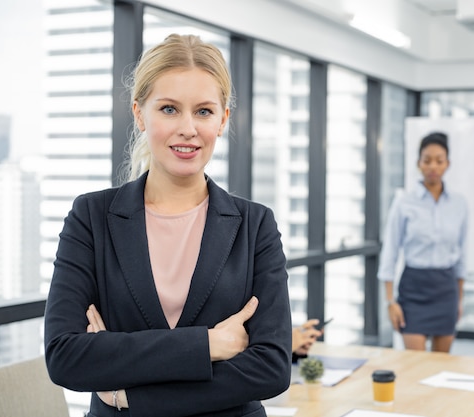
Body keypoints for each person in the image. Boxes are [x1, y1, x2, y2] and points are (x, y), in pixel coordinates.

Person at [44, 34, 292, 417]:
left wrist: (130, 391)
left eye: (204, 111)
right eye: (170, 109)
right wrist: (207, 345)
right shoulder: (91, 217)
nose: (188, 128)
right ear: (140, 113)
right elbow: (65, 356)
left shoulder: (255, 225)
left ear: (224, 119)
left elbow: (272, 368)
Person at [377, 131, 468, 353]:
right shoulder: (404, 203)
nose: (433, 167)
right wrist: (391, 302)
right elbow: (390, 252)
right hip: (414, 288)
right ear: (418, 163)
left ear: (448, 164)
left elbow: (461, 253)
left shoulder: (459, 204)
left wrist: (459, 300)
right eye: (427, 160)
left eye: (439, 160)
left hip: (446, 288)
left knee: (441, 365)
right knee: (416, 365)